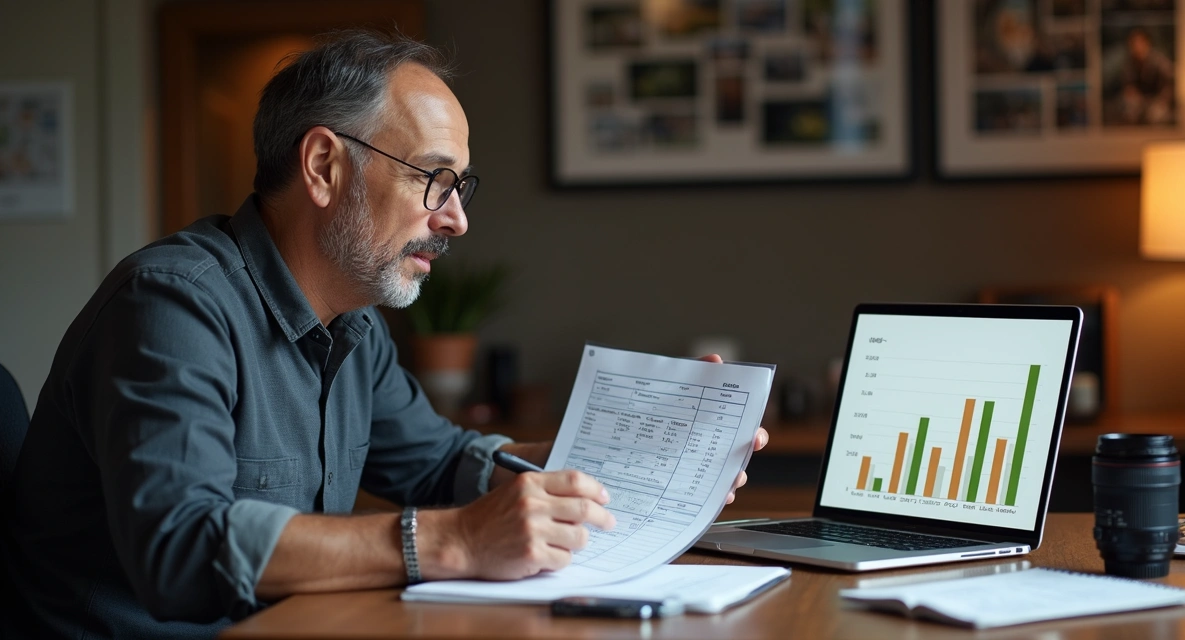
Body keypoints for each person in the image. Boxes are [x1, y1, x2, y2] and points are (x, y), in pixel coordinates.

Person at [0, 30, 767, 638]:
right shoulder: (171, 305)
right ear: (326, 166)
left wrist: (626, 467)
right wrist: (455, 542)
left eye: (460, 186)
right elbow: (181, 545)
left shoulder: (353, 327)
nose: (457, 218)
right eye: (433, 177)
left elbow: (440, 463)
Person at [1111, 27, 1175, 126]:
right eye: (1133, 43)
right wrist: (1133, 95)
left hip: (1158, 99)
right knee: (1129, 109)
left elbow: (1169, 82)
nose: (1136, 47)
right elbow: (1128, 85)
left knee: (1156, 116)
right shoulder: (1129, 62)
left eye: (1139, 42)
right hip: (1139, 101)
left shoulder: (1159, 60)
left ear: (1147, 43)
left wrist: (1163, 100)